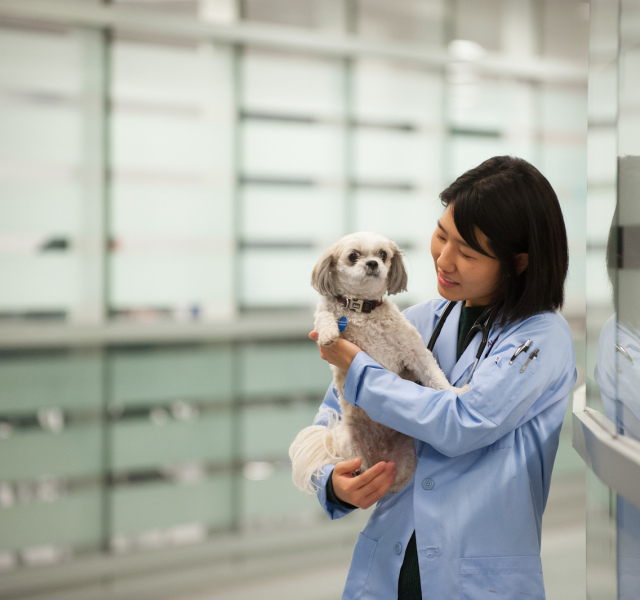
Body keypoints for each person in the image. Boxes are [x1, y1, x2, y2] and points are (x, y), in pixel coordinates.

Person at [306, 155, 577, 599]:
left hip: (476, 578)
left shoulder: (540, 338)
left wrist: (357, 366)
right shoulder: (418, 318)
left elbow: (461, 422)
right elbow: (331, 419)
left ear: (519, 262)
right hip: (390, 568)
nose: (444, 260)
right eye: (441, 235)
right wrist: (332, 485)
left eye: (467, 253)